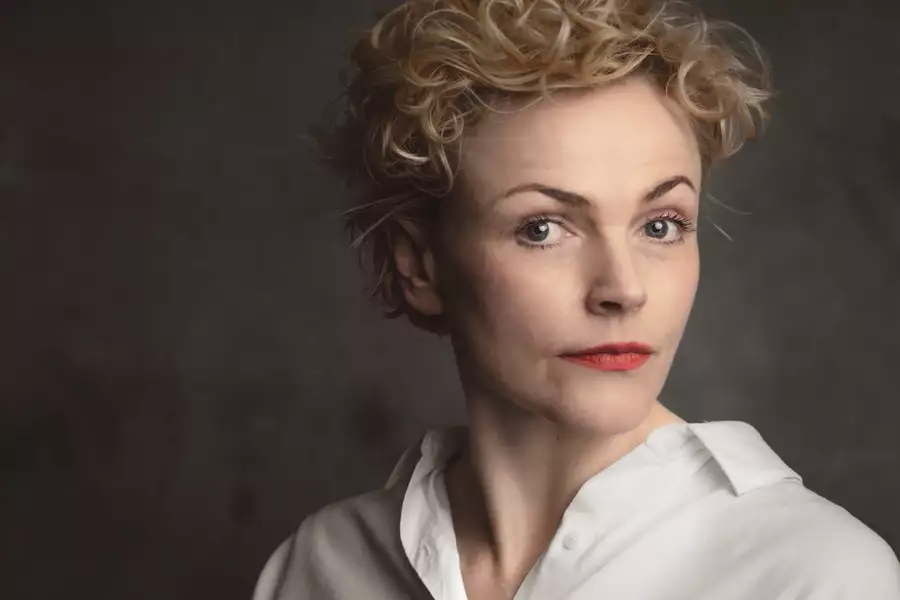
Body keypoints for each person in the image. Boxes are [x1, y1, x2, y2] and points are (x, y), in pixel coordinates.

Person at [254, 0, 900, 598]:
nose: (623, 288)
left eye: (661, 225)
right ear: (419, 264)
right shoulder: (322, 566)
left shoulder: (818, 577)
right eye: (543, 229)